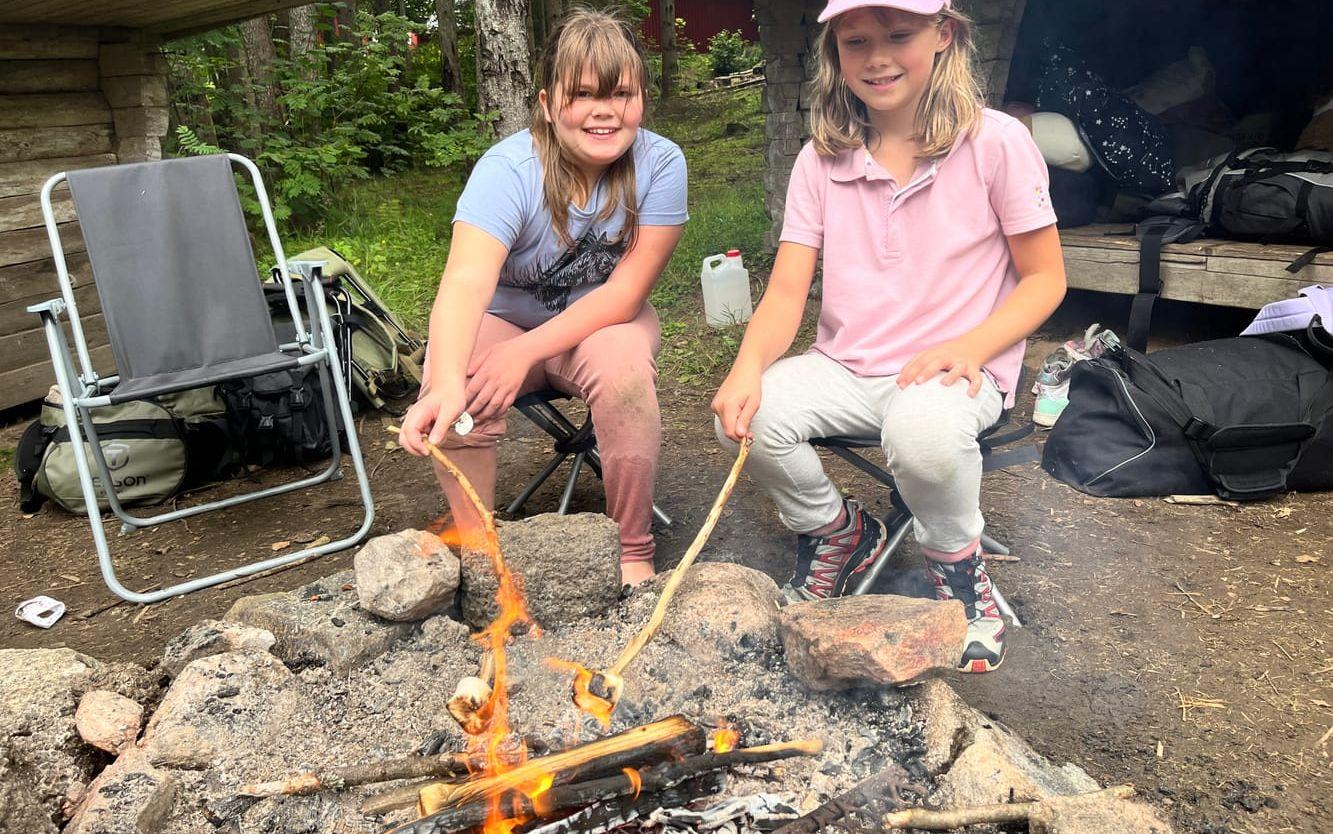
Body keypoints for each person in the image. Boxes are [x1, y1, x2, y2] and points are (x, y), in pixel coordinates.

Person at [711, 0, 1066, 672]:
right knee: (751, 417)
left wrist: (972, 346)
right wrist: (746, 368)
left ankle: (960, 576)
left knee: (924, 436)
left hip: (951, 371)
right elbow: (787, 289)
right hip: (846, 365)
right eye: (856, 42)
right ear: (834, 54)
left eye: (898, 35)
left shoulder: (994, 142)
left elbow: (1044, 279)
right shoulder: (821, 161)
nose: (876, 57)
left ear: (943, 35)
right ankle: (839, 532)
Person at [398, 8, 687, 587]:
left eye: (621, 94)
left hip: (603, 324)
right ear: (549, 102)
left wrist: (525, 353)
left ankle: (633, 550)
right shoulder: (507, 171)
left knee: (624, 370)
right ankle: (480, 559)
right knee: (457, 373)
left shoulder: (661, 164)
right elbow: (464, 285)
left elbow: (625, 295)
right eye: (582, 94)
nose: (604, 111)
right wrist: (450, 379)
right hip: (506, 320)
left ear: (642, 100)